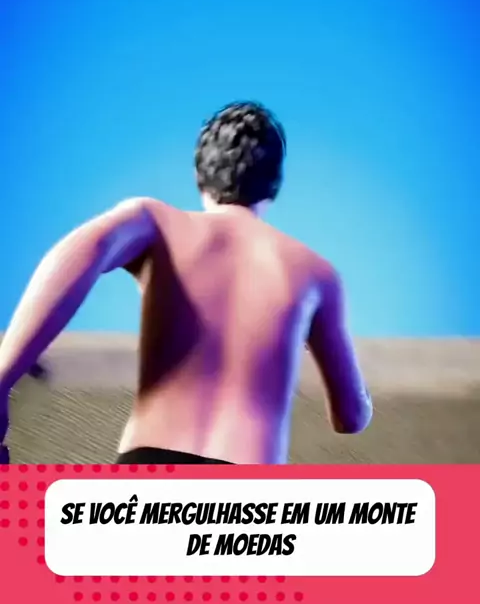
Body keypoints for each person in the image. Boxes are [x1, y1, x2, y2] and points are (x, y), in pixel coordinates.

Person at [0, 102, 372, 465]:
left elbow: (82, 250)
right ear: (274, 184)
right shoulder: (315, 273)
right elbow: (351, 417)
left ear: (199, 174)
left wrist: (4, 379)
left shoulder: (157, 222)